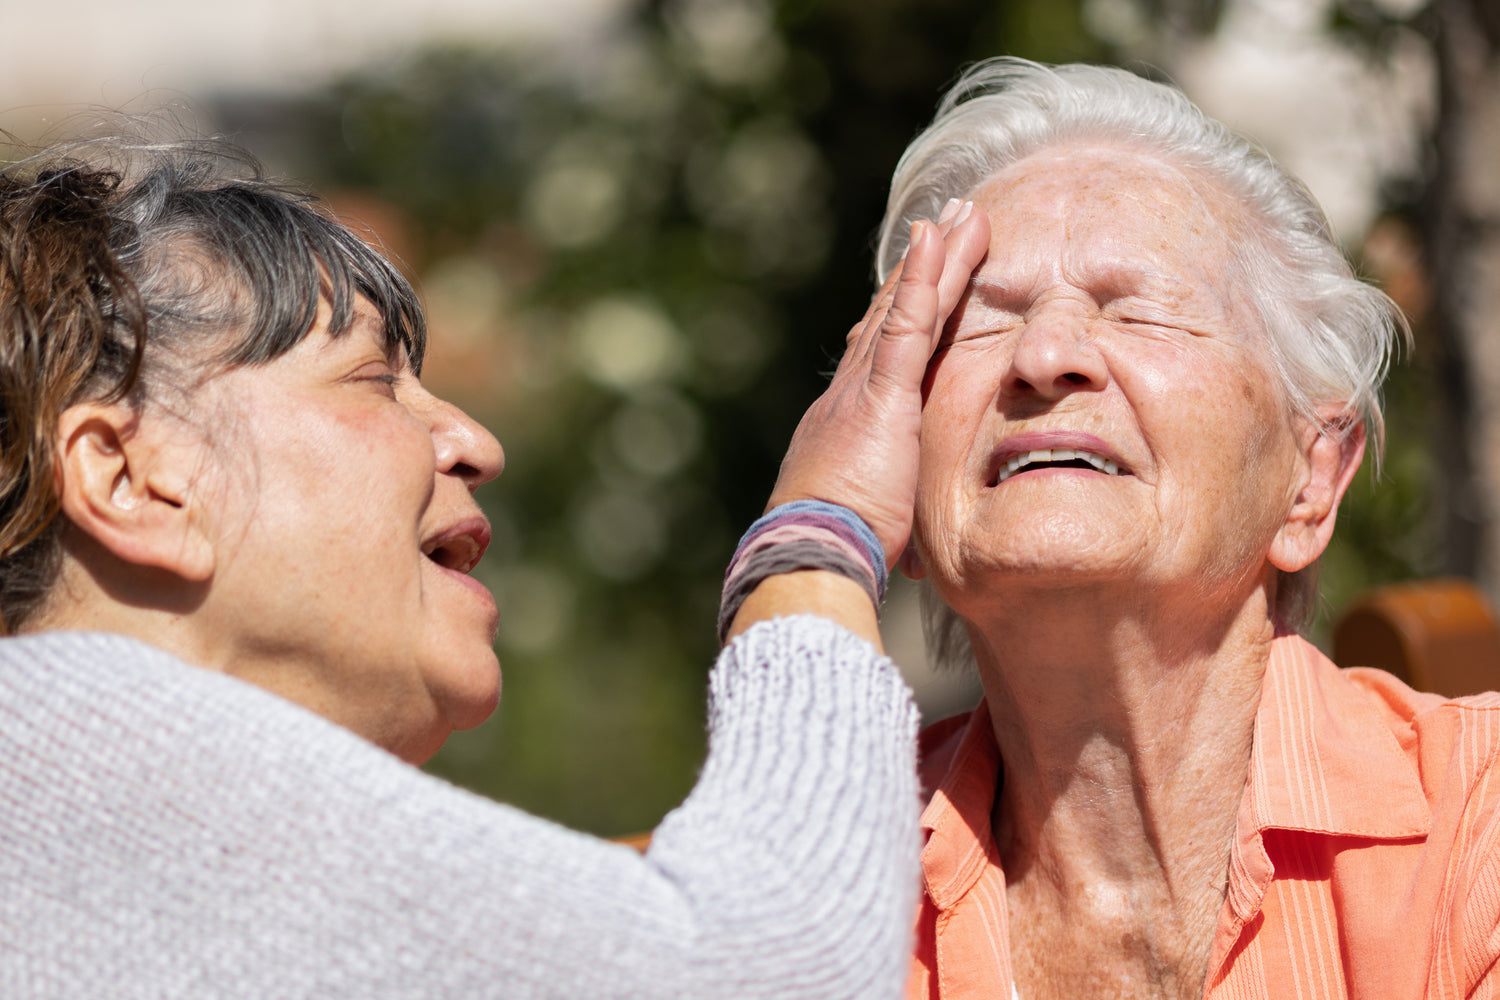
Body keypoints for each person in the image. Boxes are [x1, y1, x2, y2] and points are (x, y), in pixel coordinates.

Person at [0, 132, 990, 998]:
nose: (474, 440)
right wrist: (818, 534)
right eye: (373, 378)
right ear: (128, 477)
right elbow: (767, 968)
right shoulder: (62, 751)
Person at [877, 59, 1500, 999]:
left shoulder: (1479, 828)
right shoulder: (821, 882)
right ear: (901, 493)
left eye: (1137, 309)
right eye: (980, 321)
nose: (1044, 357)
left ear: (1312, 480)